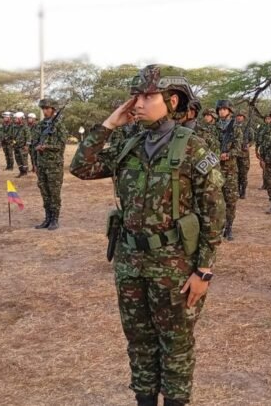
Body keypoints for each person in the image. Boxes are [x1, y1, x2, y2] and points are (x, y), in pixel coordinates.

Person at [69, 65, 225, 406]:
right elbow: (81, 167)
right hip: (130, 262)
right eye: (135, 96)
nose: (137, 103)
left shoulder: (193, 148)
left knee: (176, 344)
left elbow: (214, 214)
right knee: (138, 341)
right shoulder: (130, 145)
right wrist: (109, 125)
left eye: (147, 96)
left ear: (171, 101)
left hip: (174, 266)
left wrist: (203, 271)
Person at [33, 99, 67, 230]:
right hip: (41, 164)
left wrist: (46, 147)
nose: (45, 111)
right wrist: (35, 163)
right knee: (44, 192)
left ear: (53, 110)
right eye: (43, 109)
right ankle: (47, 218)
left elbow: (61, 145)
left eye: (47, 109)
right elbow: (34, 143)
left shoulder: (59, 125)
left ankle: (54, 220)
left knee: (54, 193)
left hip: (54, 165)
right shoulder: (40, 125)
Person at [215, 99, 244, 240]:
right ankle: (217, 227)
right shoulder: (213, 128)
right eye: (220, 109)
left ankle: (229, 227)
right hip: (215, 168)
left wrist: (228, 154)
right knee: (215, 199)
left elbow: (239, 148)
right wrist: (216, 154)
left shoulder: (236, 128)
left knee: (231, 200)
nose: (222, 111)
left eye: (224, 109)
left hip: (230, 169)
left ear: (230, 111)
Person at [235, 109, 252, 199]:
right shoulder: (233, 127)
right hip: (235, 154)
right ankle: (237, 191)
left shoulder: (248, 128)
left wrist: (249, 144)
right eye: (238, 116)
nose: (239, 117)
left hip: (244, 155)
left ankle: (243, 191)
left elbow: (252, 139)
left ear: (244, 118)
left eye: (241, 116)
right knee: (236, 174)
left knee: (243, 174)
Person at [12, 112, 30, 177]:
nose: (15, 119)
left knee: (24, 159)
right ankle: (21, 172)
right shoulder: (14, 127)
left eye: (16, 118)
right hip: (16, 146)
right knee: (17, 159)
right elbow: (13, 135)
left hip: (23, 147)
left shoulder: (25, 127)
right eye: (15, 118)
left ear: (20, 119)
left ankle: (25, 172)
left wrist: (27, 145)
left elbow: (28, 137)